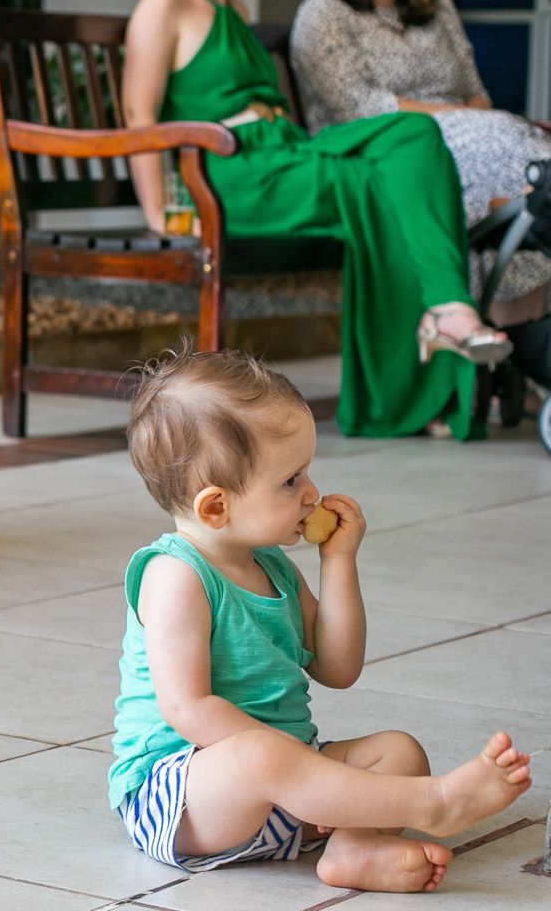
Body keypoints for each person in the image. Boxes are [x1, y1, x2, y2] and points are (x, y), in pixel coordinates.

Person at [111, 348, 532, 893]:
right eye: (290, 481)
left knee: (397, 750)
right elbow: (188, 709)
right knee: (261, 756)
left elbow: (338, 667)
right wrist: (294, 768)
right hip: (185, 799)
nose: (311, 493)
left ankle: (353, 848)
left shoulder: (273, 567)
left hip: (286, 791)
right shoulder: (175, 575)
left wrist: (338, 563)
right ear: (216, 507)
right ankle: (436, 803)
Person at [122, 0, 507, 440]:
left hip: (284, 154)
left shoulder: (232, 6)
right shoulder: (163, 3)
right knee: (383, 186)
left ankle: (444, 317)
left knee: (413, 136)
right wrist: (159, 213)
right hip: (230, 174)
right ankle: (410, 386)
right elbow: (139, 115)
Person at [292, 0, 551, 317]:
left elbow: (476, 92)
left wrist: (475, 119)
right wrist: (463, 118)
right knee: (525, 179)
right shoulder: (324, 11)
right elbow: (360, 107)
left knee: (521, 164)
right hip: (380, 147)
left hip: (474, 137)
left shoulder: (438, 8)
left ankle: (521, 322)